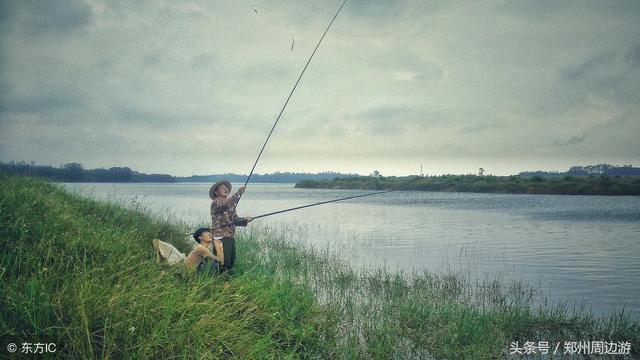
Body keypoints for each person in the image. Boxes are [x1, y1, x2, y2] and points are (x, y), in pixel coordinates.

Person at [209, 180, 252, 272]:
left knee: (231, 260)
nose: (225, 188)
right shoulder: (216, 202)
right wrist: (239, 192)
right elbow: (227, 204)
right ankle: (217, 279)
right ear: (216, 192)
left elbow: (235, 220)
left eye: (226, 187)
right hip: (220, 237)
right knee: (222, 261)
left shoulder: (231, 205)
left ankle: (225, 280)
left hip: (229, 236)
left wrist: (246, 219)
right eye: (222, 187)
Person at [152, 228, 224, 274]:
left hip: (187, 274)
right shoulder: (201, 248)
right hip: (183, 274)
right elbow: (220, 260)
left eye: (210, 233)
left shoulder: (204, 249)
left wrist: (220, 247)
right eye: (207, 232)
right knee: (214, 264)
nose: (210, 234)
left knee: (214, 264)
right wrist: (219, 247)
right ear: (200, 237)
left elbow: (221, 262)